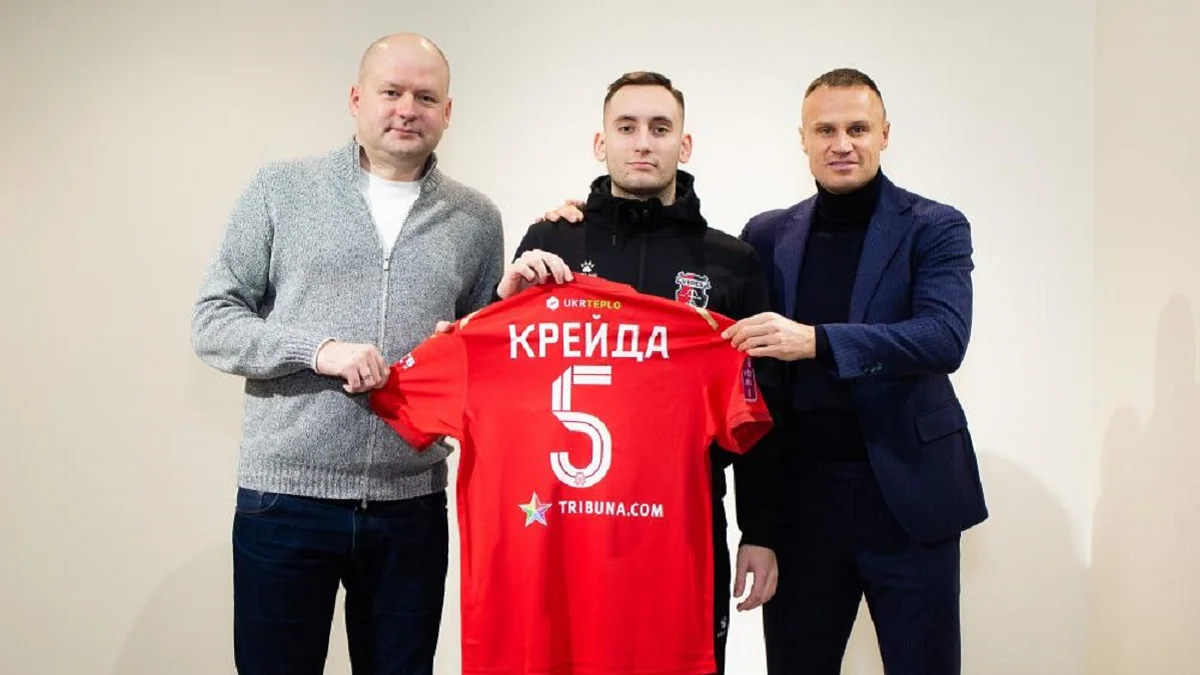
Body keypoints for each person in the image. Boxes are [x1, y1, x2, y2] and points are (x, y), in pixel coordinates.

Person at [190, 33, 504, 675]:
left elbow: (482, 359)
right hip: (285, 501)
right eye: (391, 92)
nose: (407, 109)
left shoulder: (476, 219)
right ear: (357, 99)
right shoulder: (281, 190)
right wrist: (318, 350)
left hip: (411, 507)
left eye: (426, 97)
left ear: (448, 112)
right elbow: (213, 321)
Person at [505, 70, 782, 675]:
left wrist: (759, 531)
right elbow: (510, 374)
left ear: (684, 144)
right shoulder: (551, 242)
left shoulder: (731, 262)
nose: (643, 143)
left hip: (683, 522)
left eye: (660, 128)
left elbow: (761, 411)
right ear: (600, 142)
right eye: (626, 127)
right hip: (565, 520)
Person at [722, 68, 988, 674]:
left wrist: (817, 341)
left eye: (858, 129)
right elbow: (710, 313)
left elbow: (944, 337)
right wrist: (588, 220)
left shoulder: (935, 225)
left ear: (884, 135)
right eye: (826, 130)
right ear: (803, 139)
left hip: (908, 493)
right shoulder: (766, 234)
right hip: (802, 501)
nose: (842, 143)